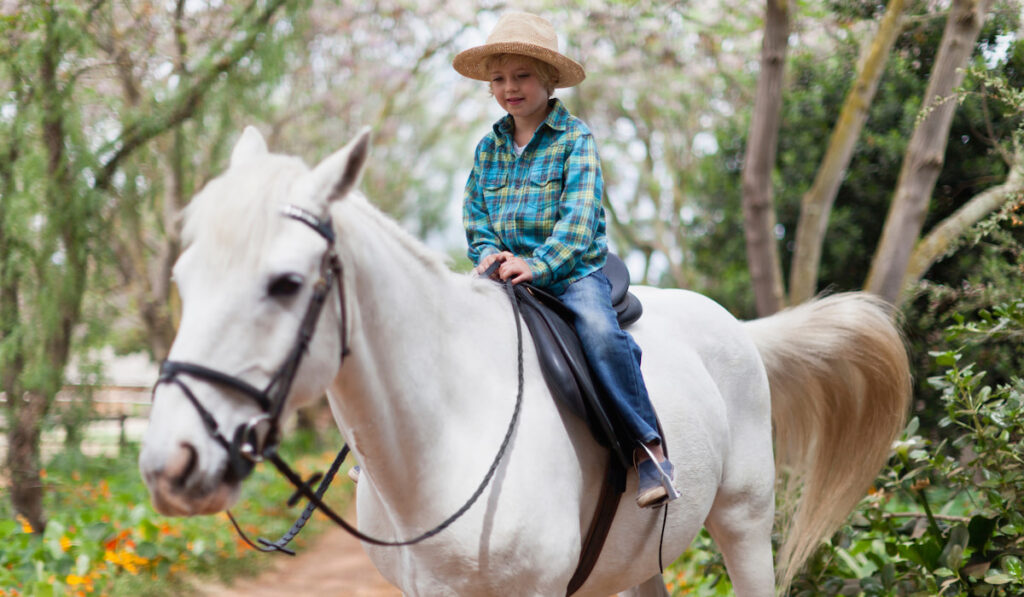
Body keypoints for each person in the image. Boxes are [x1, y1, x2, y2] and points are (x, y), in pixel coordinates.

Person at [453, 11, 679, 508]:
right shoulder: (488, 148)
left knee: (599, 333)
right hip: (504, 269)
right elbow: (475, 215)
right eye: (498, 79)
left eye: (522, 76)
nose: (510, 87)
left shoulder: (574, 141)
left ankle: (648, 447)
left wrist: (538, 265)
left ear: (550, 79)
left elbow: (578, 225)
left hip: (571, 270)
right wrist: (489, 254)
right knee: (448, 319)